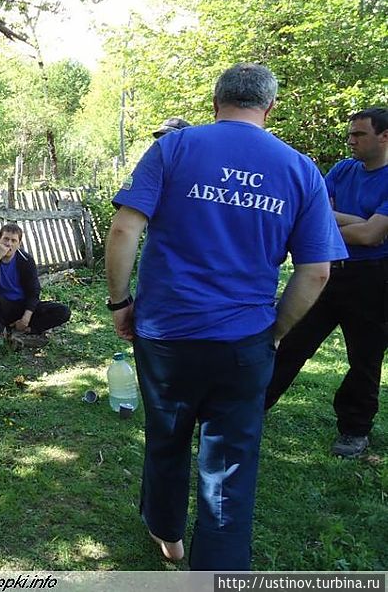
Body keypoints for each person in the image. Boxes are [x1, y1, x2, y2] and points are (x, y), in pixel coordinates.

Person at [105, 63, 346, 570]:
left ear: (215, 103)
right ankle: (218, 574)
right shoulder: (301, 170)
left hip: (167, 336)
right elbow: (317, 272)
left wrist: (119, 302)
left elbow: (126, 229)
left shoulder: (174, 148)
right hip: (244, 341)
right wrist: (275, 332)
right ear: (269, 108)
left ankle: (167, 535)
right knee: (230, 465)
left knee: (166, 437)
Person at [265, 107, 388, 458]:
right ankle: (250, 407)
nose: (350, 141)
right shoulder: (342, 169)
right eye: (350, 134)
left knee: (364, 358)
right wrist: (360, 222)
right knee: (288, 340)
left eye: (359, 135)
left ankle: (354, 431)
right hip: (327, 271)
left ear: (384, 136)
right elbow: (316, 215)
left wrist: (345, 226)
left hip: (374, 279)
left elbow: (371, 236)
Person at [0, 223, 71, 349]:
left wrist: (26, 318)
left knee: (63, 311)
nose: (8, 244)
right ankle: (0, 334)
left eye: (13, 240)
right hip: (2, 306)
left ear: (19, 244)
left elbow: (34, 291)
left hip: (23, 305)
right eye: (5, 239)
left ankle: (26, 331)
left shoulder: (25, 260)